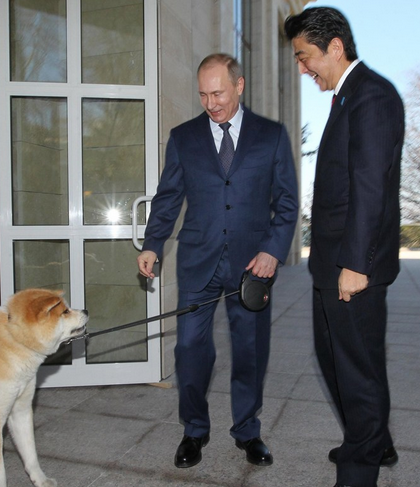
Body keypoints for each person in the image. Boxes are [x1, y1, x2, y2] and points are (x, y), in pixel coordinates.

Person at [137, 53, 298, 469]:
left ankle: (247, 431)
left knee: (250, 351)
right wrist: (153, 243)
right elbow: (168, 197)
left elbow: (286, 202)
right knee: (190, 349)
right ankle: (194, 429)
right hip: (198, 260)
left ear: (238, 86)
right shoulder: (184, 137)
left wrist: (273, 250)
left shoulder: (271, 135)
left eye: (219, 93)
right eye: (204, 95)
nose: (211, 103)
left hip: (253, 265)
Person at [284, 7, 404, 487]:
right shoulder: (347, 96)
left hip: (353, 266)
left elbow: (370, 187)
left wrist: (355, 264)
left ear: (334, 47)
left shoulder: (372, 95)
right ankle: (374, 441)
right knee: (338, 358)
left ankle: (359, 469)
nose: (302, 69)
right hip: (331, 263)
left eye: (304, 56)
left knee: (356, 370)